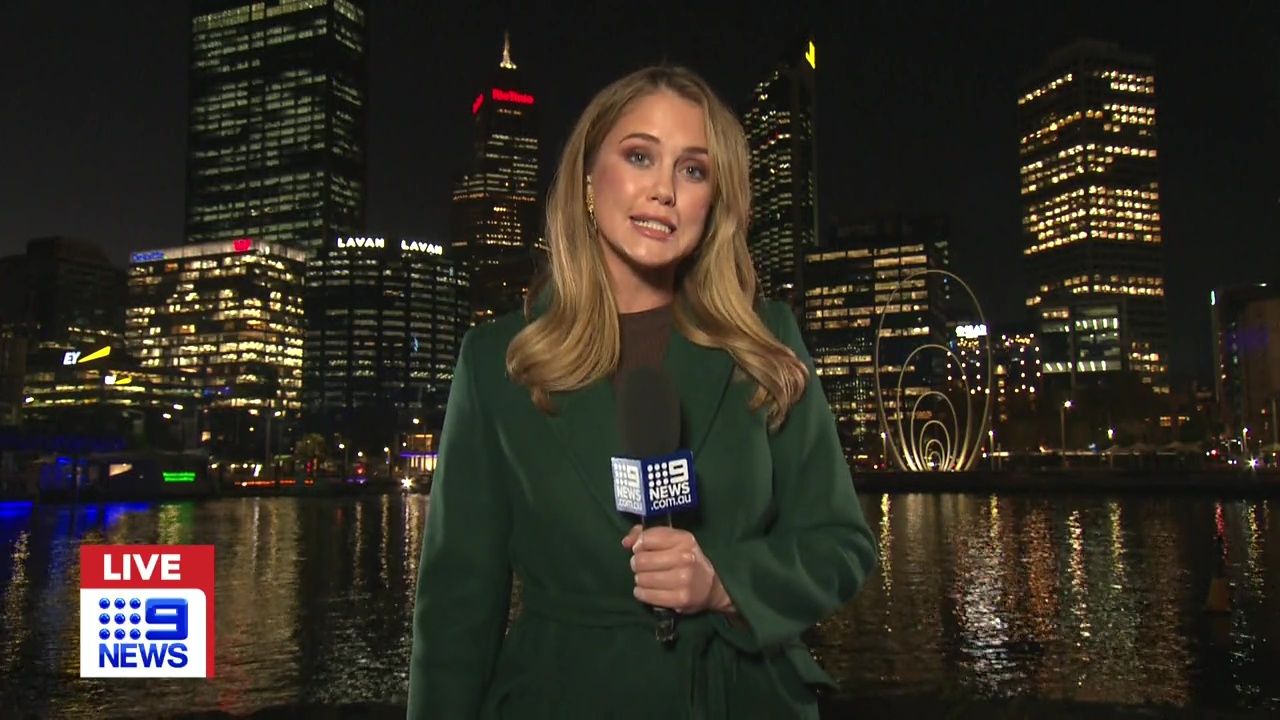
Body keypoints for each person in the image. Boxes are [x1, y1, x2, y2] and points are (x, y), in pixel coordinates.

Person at [408, 65, 878, 719]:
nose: (664, 190)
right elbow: (456, 611)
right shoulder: (496, 362)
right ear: (587, 180)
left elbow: (841, 545)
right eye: (639, 156)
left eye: (694, 170)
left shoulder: (766, 342)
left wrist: (723, 583)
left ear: (714, 201)